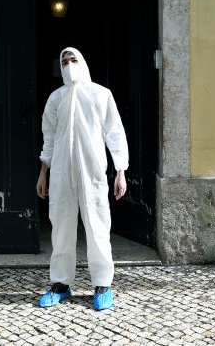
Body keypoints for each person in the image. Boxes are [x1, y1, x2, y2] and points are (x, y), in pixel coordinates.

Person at [35, 47, 128, 311]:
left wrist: (120, 170)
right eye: (64, 61)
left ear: (83, 62)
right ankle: (61, 285)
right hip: (62, 174)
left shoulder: (101, 94)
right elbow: (49, 138)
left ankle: (103, 284)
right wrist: (43, 173)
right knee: (61, 228)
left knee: (97, 226)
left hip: (93, 172)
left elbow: (115, 133)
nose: (69, 64)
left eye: (73, 59)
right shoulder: (56, 99)